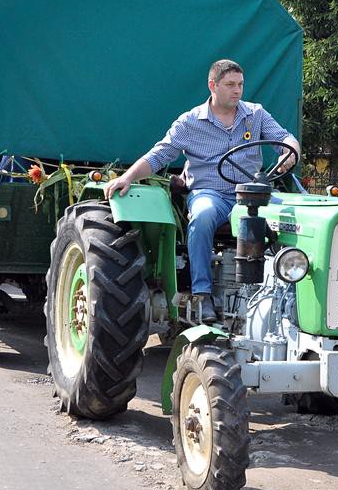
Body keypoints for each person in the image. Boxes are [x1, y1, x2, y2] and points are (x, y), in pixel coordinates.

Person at [104, 59, 299, 322]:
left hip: (252, 194)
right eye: (230, 84)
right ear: (212, 86)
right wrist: (127, 177)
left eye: (240, 84)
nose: (237, 90)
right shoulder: (190, 122)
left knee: (292, 217)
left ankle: (287, 291)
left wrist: (291, 151)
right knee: (203, 215)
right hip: (211, 193)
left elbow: (285, 138)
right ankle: (203, 294)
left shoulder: (256, 114)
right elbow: (159, 155)